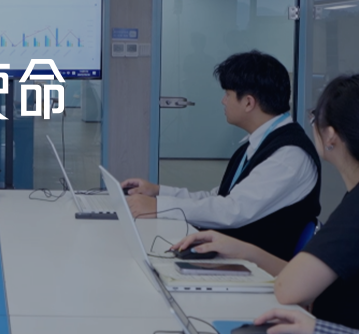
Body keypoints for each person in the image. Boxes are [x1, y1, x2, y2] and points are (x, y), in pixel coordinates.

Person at [172, 74, 359, 330]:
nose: (223, 101)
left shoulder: (353, 207)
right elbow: (299, 277)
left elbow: (290, 288)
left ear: (330, 136)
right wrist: (242, 250)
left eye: (314, 116)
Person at [123, 51, 321, 261]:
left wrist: (160, 208)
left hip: (255, 270)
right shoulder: (256, 144)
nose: (223, 101)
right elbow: (219, 198)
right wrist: (158, 193)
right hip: (232, 256)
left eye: (227, 94)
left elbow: (232, 211)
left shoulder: (288, 156)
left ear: (248, 103)